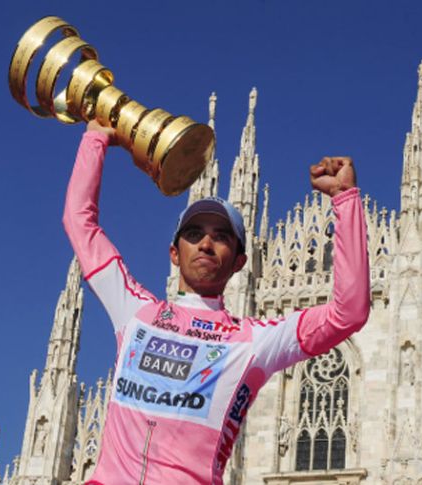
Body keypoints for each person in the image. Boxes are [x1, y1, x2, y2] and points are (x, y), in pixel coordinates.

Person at [63, 120, 370, 485]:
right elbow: (79, 223)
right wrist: (97, 137)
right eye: (194, 234)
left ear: (240, 261)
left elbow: (348, 312)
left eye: (221, 236)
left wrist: (346, 201)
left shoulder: (251, 341)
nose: (206, 244)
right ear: (174, 253)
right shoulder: (135, 312)